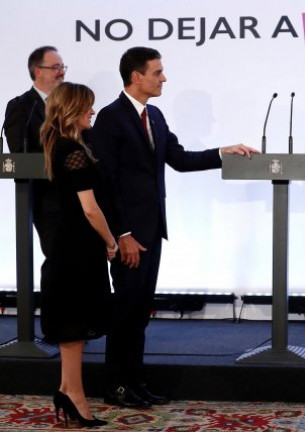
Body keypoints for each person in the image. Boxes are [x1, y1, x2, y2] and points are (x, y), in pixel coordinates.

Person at [90, 46, 259, 409]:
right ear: (136, 77)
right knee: (126, 311)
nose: (163, 78)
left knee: (139, 312)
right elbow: (106, 183)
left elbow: (179, 160)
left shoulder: (156, 116)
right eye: (157, 72)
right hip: (129, 235)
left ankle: (134, 381)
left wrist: (221, 153)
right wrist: (122, 235)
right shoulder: (110, 117)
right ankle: (116, 386)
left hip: (152, 231)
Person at [40, 82, 117, 427]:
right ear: (71, 108)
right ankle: (75, 396)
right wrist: (111, 240)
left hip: (71, 248)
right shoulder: (71, 148)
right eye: (87, 106)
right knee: (74, 327)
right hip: (76, 249)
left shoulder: (65, 144)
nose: (92, 111)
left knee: (74, 327)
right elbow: (90, 209)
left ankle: (67, 390)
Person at [3, 46, 66, 293]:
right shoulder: (22, 107)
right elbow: (19, 152)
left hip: (76, 196)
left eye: (62, 67)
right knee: (57, 262)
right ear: (38, 71)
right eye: (56, 67)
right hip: (46, 199)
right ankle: (53, 328)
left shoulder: (66, 103)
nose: (61, 72)